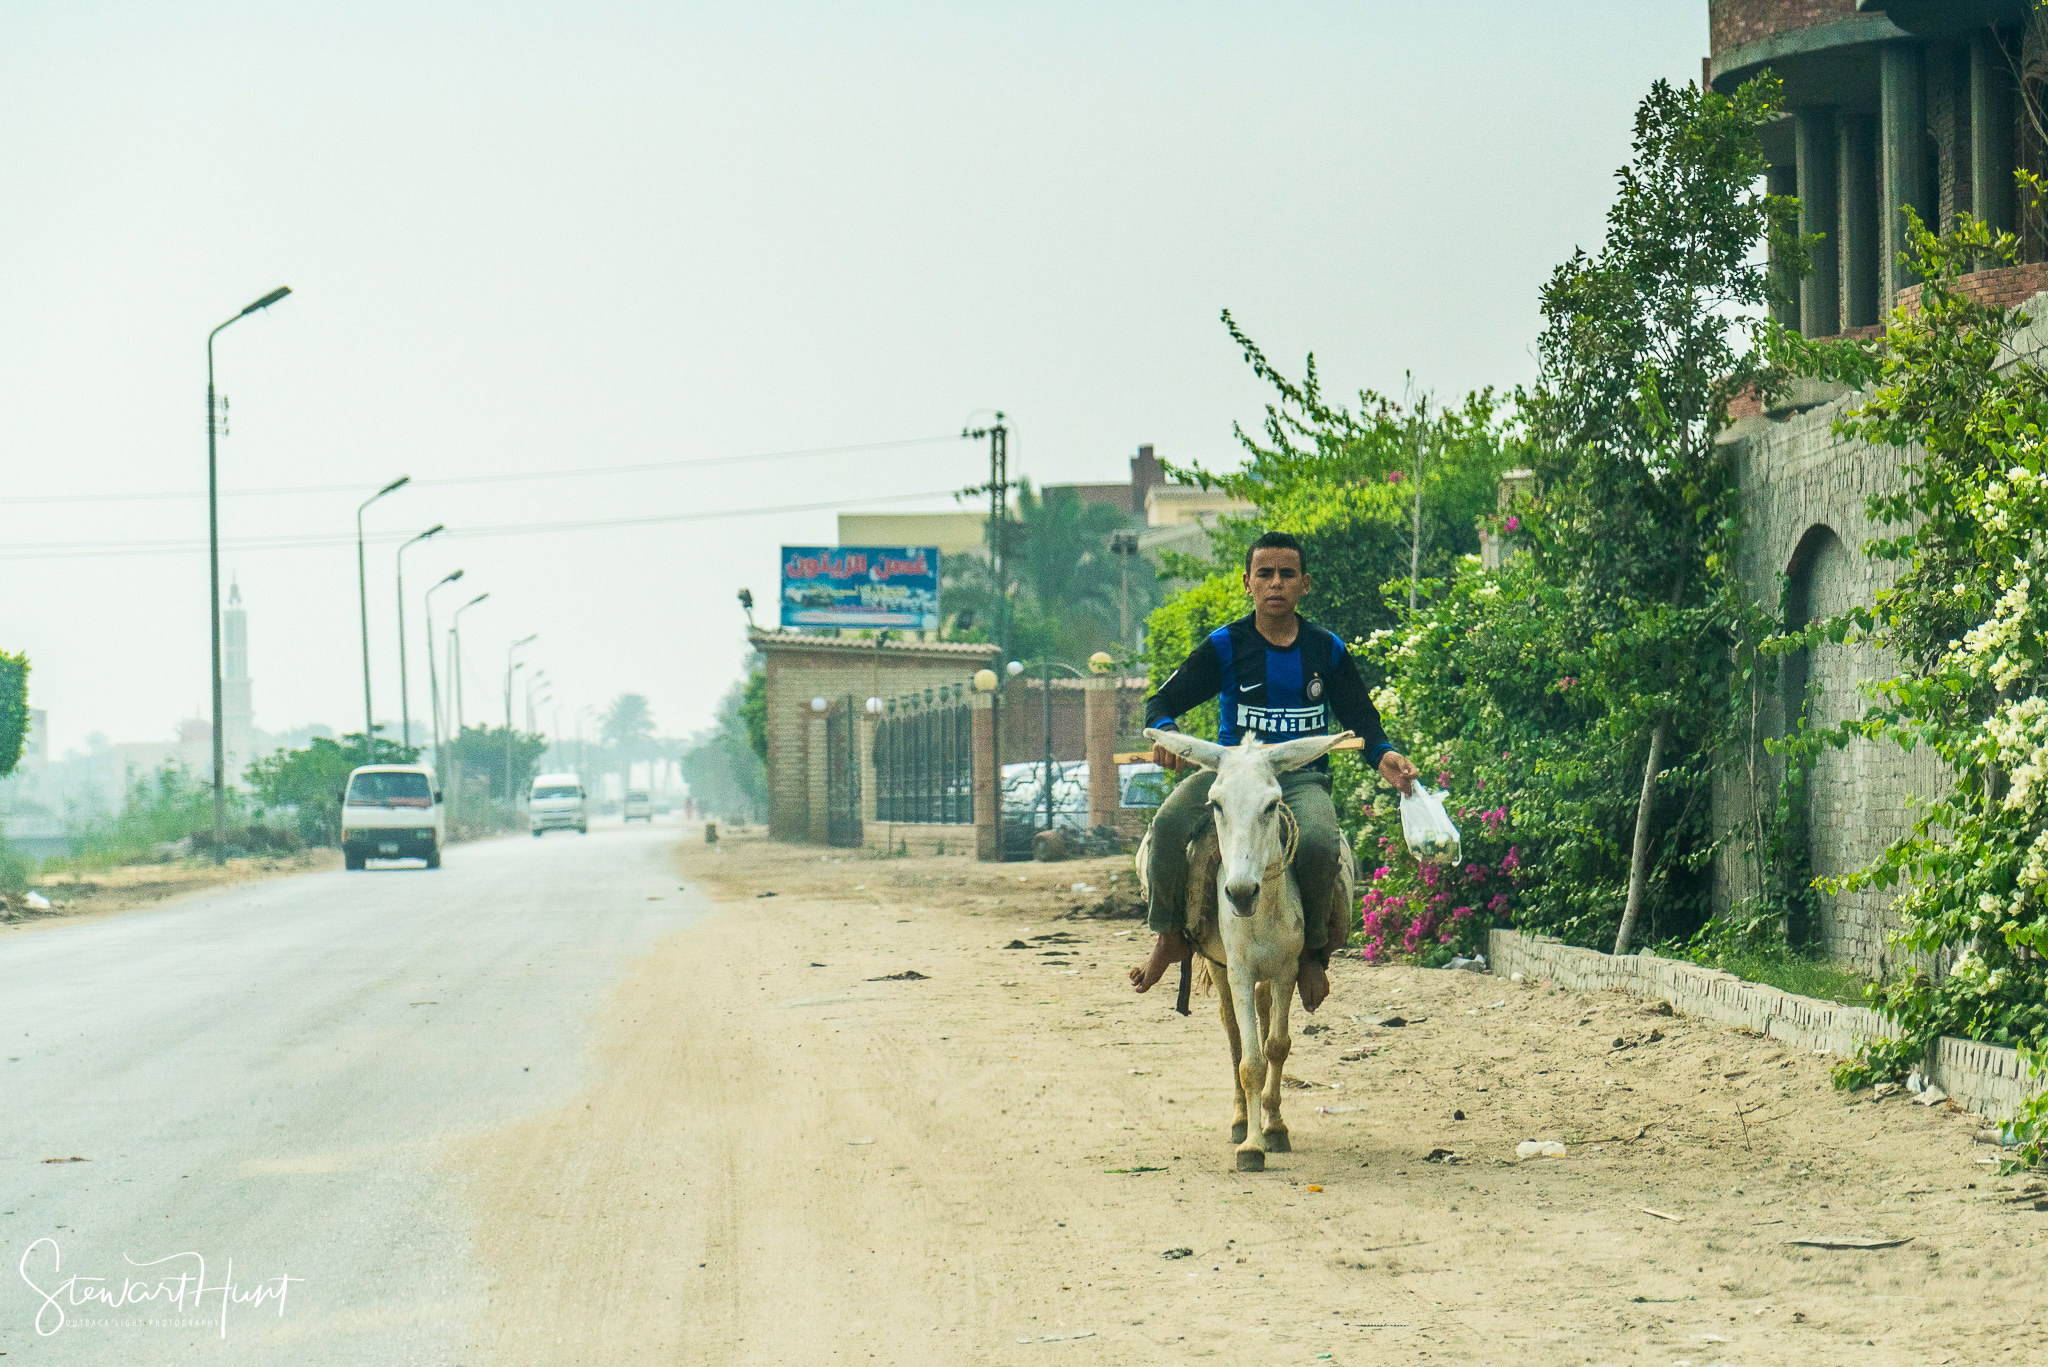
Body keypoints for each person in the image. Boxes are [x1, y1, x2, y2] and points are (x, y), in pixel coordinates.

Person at [1128, 531, 1419, 1012]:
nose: (1276, 583)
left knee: (1323, 845)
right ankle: (1168, 937)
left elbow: (1362, 720)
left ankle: (1311, 954)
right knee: (1166, 827)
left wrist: (1383, 754)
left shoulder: (1327, 651)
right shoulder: (1224, 646)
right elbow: (1161, 703)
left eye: (1287, 574)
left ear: (1305, 584)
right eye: (1265, 574)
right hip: (1234, 775)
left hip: (1299, 780)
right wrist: (1164, 734)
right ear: (1248, 583)